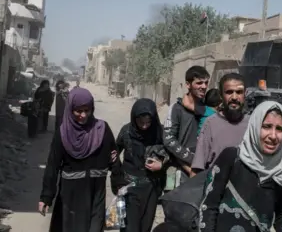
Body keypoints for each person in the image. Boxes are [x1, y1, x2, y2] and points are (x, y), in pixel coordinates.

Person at [198, 101, 282, 232]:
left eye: (280, 129)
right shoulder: (232, 157)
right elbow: (208, 206)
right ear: (254, 126)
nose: (273, 136)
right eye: (266, 126)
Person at [38, 88, 123, 232]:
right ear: (70, 109)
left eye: (87, 110)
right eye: (78, 111)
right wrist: (46, 197)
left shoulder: (102, 129)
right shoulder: (63, 133)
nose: (83, 115)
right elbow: (52, 166)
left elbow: (114, 158)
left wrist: (119, 184)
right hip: (70, 196)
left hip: (96, 193)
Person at [116, 98, 169, 232]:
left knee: (145, 227)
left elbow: (172, 155)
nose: (145, 126)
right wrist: (117, 180)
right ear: (134, 118)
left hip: (151, 188)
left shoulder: (159, 132)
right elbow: (114, 154)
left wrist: (161, 164)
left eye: (148, 122)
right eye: (141, 122)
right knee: (130, 227)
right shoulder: (126, 132)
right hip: (129, 188)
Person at [191, 73, 250, 175]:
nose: (234, 97)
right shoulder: (210, 124)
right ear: (221, 95)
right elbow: (197, 169)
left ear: (245, 94)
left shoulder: (253, 124)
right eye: (229, 92)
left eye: (239, 92)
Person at [163, 65, 210, 187]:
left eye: (206, 83)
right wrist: (192, 160)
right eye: (199, 83)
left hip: (203, 170)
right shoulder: (176, 108)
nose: (204, 87)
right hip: (180, 171)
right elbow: (168, 140)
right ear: (188, 85)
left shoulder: (207, 110)